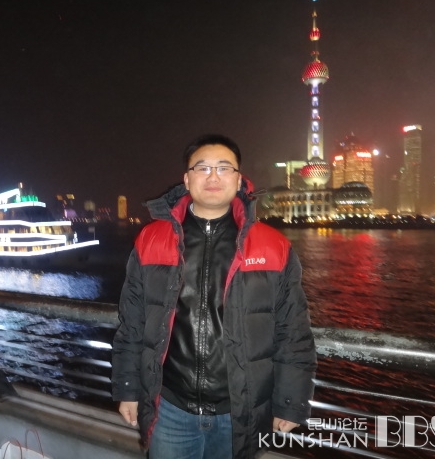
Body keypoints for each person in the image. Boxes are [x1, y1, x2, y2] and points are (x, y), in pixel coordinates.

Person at [111, 135, 316, 459]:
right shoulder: (152, 240)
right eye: (202, 168)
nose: (213, 176)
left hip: (239, 411)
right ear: (187, 179)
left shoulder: (273, 246)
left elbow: (293, 331)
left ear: (239, 179)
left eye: (223, 168)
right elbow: (132, 322)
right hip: (170, 407)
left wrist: (290, 402)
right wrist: (127, 387)